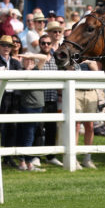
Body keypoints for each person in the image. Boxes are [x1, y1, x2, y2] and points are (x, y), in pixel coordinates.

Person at [0, 35, 23, 167]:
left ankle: (8, 157)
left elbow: (20, 80)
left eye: (8, 46)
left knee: (12, 127)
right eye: (3, 45)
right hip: (1, 97)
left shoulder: (16, 63)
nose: (6, 48)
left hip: (14, 97)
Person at [17, 53, 47, 172]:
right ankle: (25, 162)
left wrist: (30, 54)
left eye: (31, 60)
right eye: (26, 60)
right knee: (28, 134)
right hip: (28, 106)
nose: (28, 62)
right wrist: (26, 57)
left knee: (33, 134)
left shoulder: (36, 70)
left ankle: (26, 161)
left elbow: (44, 58)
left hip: (39, 106)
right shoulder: (21, 72)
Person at [37, 34, 63, 167]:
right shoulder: (36, 58)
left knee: (51, 129)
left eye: (48, 43)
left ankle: (50, 156)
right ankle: (35, 156)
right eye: (43, 43)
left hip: (52, 98)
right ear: (39, 44)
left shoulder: (56, 59)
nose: (46, 45)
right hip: (39, 99)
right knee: (38, 129)